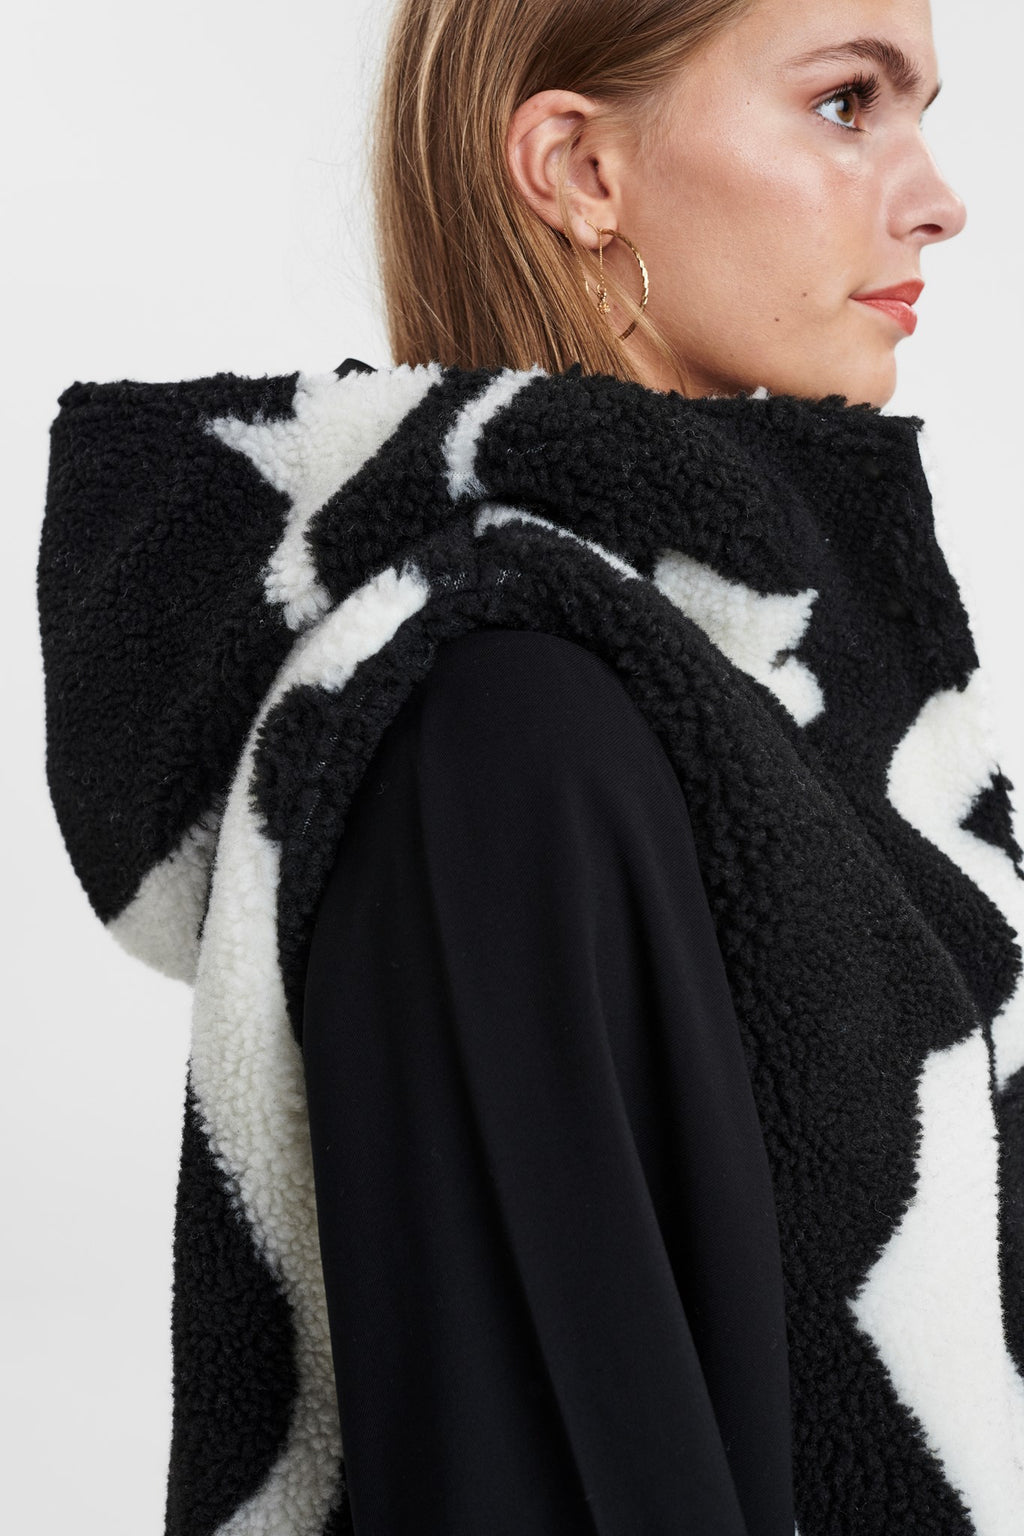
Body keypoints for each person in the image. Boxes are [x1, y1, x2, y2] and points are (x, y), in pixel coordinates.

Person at [37, 1, 1024, 1534]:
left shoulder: (776, 700)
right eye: (847, 103)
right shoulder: (501, 723)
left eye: (921, 112)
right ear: (578, 170)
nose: (938, 199)